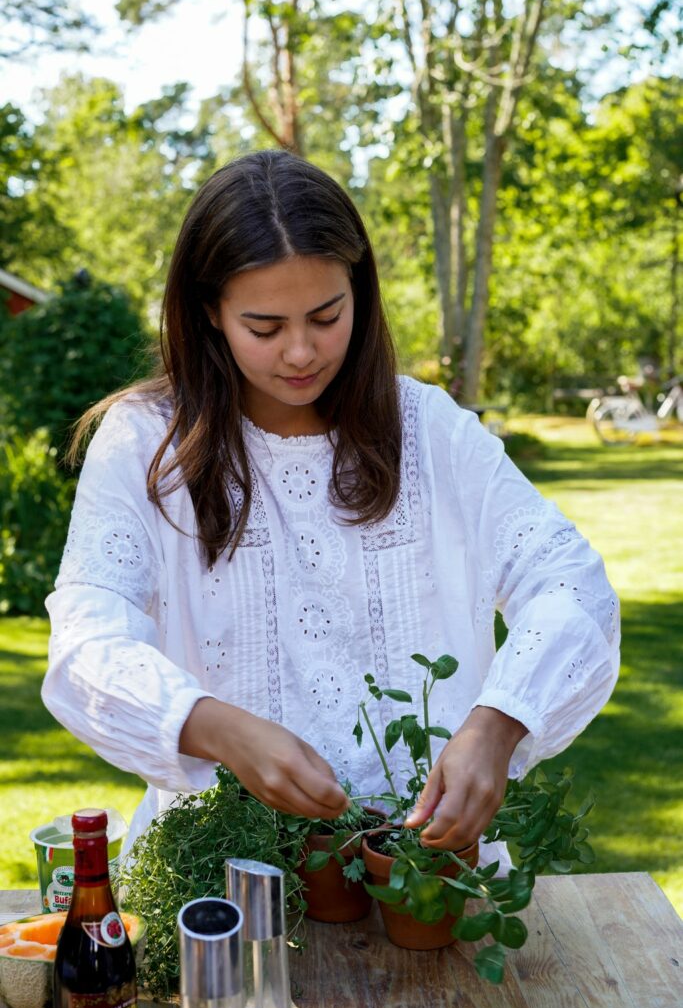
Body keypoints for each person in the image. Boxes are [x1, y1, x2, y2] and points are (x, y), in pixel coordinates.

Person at [42, 150, 620, 862]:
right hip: (222, 877)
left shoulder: (429, 428)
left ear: (360, 292)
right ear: (209, 313)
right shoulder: (142, 443)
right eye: (264, 326)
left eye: (325, 315)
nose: (299, 352)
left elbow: (571, 587)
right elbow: (86, 648)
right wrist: (216, 726)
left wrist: (497, 723)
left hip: (427, 869)